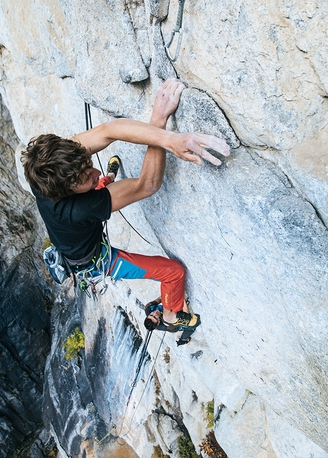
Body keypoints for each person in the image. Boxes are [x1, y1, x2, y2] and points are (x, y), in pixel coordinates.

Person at [21, 78, 230, 343]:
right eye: (87, 177)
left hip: (71, 241)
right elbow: (146, 185)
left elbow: (110, 131)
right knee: (172, 272)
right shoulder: (80, 210)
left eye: (88, 163)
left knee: (97, 184)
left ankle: (98, 186)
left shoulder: (44, 170)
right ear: (68, 192)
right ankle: (170, 318)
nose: (94, 170)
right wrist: (159, 122)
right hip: (94, 262)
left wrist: (171, 138)